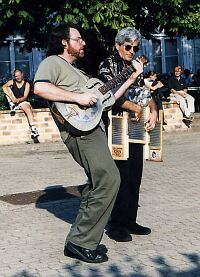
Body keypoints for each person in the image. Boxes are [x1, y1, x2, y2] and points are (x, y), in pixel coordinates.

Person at [33, 23, 144, 263]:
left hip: (94, 129)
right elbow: (40, 87)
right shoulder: (53, 62)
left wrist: (133, 76)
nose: (83, 43)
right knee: (110, 180)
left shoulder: (79, 73)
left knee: (98, 184)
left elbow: (109, 99)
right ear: (65, 42)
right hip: (81, 132)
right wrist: (77, 97)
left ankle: (80, 240)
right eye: (79, 39)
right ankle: (82, 241)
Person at [98, 27, 158, 242]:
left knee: (135, 176)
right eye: (128, 47)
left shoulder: (135, 66)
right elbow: (110, 95)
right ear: (117, 45)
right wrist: (136, 108)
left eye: (135, 48)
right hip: (116, 128)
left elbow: (146, 92)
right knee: (121, 177)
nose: (132, 51)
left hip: (135, 129)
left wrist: (153, 110)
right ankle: (116, 225)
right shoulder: (107, 65)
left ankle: (130, 221)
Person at [2, 69, 40, 143]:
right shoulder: (12, 82)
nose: (17, 77)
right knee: (6, 87)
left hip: (23, 102)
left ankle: (33, 129)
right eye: (16, 76)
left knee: (28, 110)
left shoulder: (27, 84)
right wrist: (12, 98)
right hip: (14, 101)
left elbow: (25, 96)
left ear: (22, 75)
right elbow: (3, 87)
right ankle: (12, 105)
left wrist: (18, 100)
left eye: (19, 75)